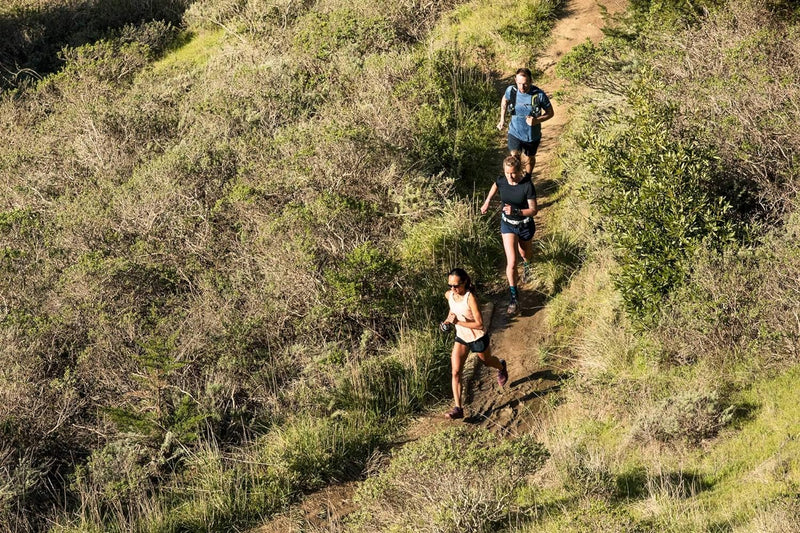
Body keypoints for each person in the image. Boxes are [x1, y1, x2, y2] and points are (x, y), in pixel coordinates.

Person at [440, 268, 508, 420]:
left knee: (487, 361)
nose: (453, 289)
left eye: (456, 285)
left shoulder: (470, 298)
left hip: (477, 337)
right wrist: (446, 322)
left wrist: (458, 322)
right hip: (461, 338)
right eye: (450, 285)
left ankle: (501, 366)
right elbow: (452, 311)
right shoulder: (449, 295)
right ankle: (458, 408)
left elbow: (479, 324)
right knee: (455, 372)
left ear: (464, 283)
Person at [481, 155, 538, 315]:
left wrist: (517, 211)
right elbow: (496, 185)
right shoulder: (502, 180)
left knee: (524, 253)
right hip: (508, 225)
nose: (510, 177)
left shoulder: (527, 185)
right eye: (507, 173)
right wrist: (487, 201)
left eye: (513, 173)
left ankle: (527, 266)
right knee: (512, 262)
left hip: (525, 225)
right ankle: (514, 297)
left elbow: (534, 210)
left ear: (519, 171)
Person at [496, 67, 554, 176]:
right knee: (515, 156)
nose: (522, 87)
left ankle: (527, 176)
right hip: (515, 132)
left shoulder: (539, 95)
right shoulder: (511, 91)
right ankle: (516, 179)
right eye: (519, 83)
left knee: (529, 157)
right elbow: (505, 100)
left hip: (532, 135)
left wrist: (537, 120)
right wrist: (502, 119)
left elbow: (550, 113)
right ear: (515, 80)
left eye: (525, 84)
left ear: (531, 81)